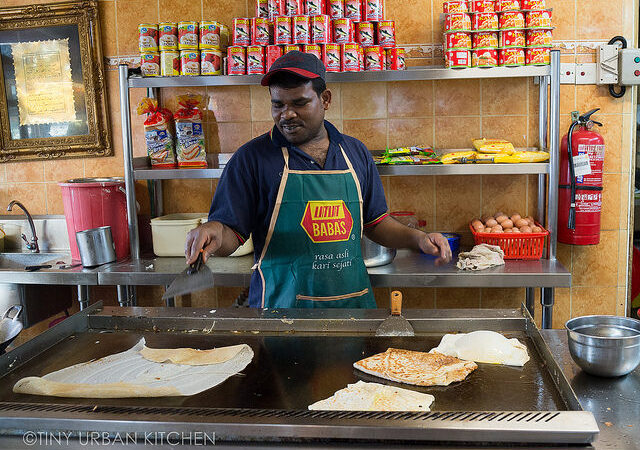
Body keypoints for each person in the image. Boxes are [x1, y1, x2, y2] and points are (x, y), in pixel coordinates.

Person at [185, 51, 451, 308]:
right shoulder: (251, 159)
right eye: (278, 105)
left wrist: (418, 239)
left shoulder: (354, 152)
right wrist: (214, 232)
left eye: (299, 103)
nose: (286, 114)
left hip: (353, 309)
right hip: (282, 315)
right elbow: (232, 231)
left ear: (325, 99)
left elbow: (376, 222)